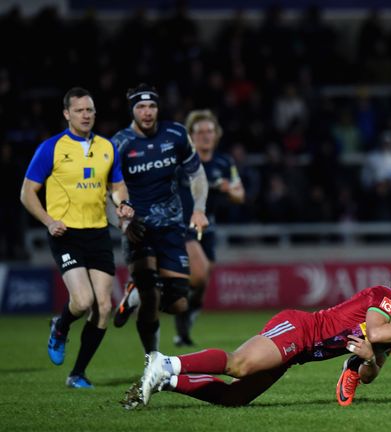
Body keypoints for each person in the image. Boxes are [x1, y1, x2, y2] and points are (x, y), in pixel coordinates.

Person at [121, 270, 391, 408]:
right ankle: (166, 363)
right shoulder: (386, 296)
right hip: (299, 330)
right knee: (239, 365)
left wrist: (366, 359)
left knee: (234, 398)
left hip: (300, 351)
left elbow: (369, 374)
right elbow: (374, 332)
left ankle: (166, 381)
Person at [20, 87, 134, 388]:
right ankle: (60, 326)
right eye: (80, 110)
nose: (86, 115)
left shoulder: (108, 148)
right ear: (67, 113)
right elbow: (27, 193)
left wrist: (123, 203)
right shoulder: (51, 148)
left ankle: (78, 373)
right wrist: (47, 221)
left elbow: (118, 186)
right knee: (82, 301)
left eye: (90, 110)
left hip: (97, 233)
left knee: (103, 308)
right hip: (66, 233)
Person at [111, 84, 209, 355]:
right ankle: (152, 359)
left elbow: (197, 175)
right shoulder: (119, 144)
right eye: (141, 107)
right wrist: (122, 222)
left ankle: (133, 296)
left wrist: (199, 208)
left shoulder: (176, 134)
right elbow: (107, 191)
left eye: (152, 106)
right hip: (138, 227)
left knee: (179, 304)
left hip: (171, 226)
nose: (147, 112)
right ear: (132, 110)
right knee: (151, 296)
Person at [173, 109, 245, 346]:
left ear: (216, 135)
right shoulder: (182, 161)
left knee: (202, 283)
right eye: (200, 131)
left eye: (210, 131)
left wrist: (227, 189)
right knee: (200, 272)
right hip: (183, 226)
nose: (205, 136)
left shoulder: (224, 162)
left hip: (209, 227)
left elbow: (240, 194)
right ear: (191, 136)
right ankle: (180, 312)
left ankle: (185, 317)